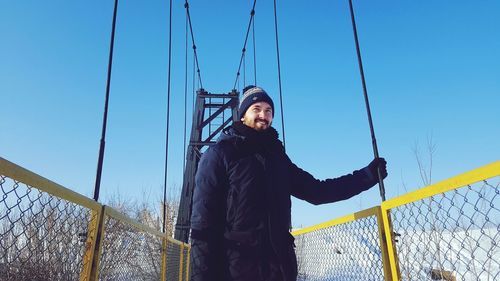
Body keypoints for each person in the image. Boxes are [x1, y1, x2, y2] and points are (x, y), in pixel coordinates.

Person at [190, 85, 388, 281]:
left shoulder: (277, 158)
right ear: (242, 115)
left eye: (268, 111)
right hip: (237, 271)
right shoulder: (220, 155)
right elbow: (203, 227)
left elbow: (318, 191)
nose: (263, 115)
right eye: (256, 109)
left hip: (280, 270)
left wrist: (367, 176)